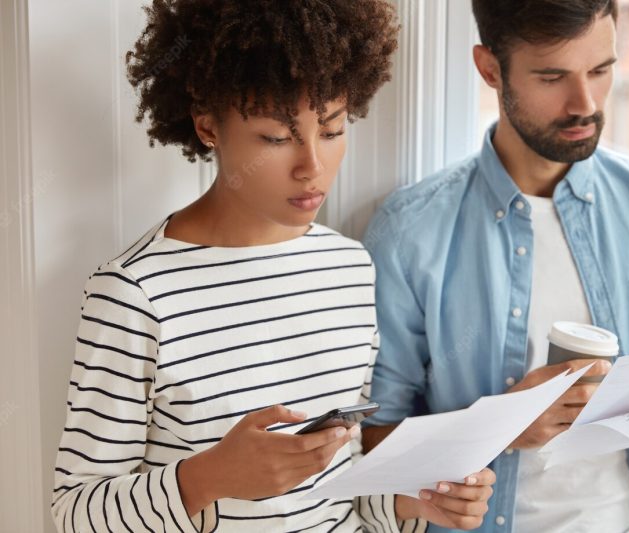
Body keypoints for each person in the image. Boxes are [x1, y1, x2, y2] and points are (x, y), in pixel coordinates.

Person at [50, 1, 494, 531]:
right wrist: (207, 478)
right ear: (208, 124)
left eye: (331, 130)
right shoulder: (133, 293)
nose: (312, 166)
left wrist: (416, 502)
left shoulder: (350, 268)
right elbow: (73, 512)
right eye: (276, 138)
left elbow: (340, 486)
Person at [361, 0, 629, 532]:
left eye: (601, 70)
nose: (585, 103)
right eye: (553, 77)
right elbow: (373, 444)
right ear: (489, 69)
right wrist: (499, 425)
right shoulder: (411, 232)